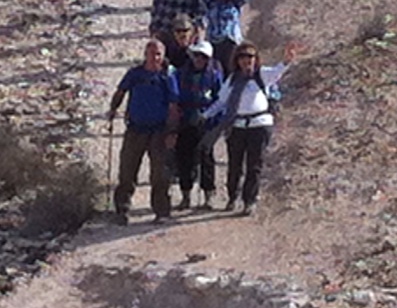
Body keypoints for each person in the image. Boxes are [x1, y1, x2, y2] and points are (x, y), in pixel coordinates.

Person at [202, 41, 298, 216]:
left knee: (254, 165)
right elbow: (221, 102)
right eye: (243, 57)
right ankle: (232, 196)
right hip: (237, 126)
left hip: (259, 125)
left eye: (250, 57)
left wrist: (287, 60)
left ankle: (250, 200)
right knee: (235, 165)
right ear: (237, 60)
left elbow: (278, 71)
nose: (247, 61)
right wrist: (205, 115)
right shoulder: (231, 80)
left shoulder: (262, 75)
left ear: (256, 59)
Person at [107, 40, 181, 224]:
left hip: (159, 130)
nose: (155, 58)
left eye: (158, 54)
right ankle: (122, 210)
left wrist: (172, 131)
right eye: (151, 53)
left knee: (160, 173)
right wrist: (113, 109)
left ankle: (162, 211)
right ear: (145, 54)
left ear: (163, 55)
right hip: (135, 128)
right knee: (127, 170)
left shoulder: (167, 77)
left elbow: (173, 106)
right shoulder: (135, 74)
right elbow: (121, 91)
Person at [175, 39, 224, 211]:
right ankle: (186, 194)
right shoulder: (181, 74)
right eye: (196, 55)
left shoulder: (214, 76)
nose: (199, 59)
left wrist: (216, 121)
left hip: (207, 121)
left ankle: (208, 195)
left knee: (206, 157)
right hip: (186, 119)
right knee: (184, 157)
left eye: (203, 57)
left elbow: (220, 99)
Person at [191, 0, 265, 75]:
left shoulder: (236, 0)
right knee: (216, 72)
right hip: (214, 44)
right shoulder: (210, 0)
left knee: (233, 73)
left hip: (231, 43)